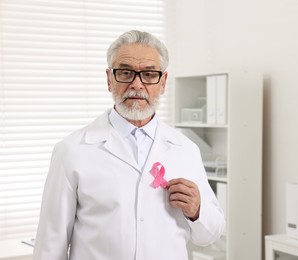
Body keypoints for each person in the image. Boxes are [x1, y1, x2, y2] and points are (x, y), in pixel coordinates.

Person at [33, 30, 225, 260]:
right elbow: (50, 246)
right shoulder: (72, 151)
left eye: (149, 74)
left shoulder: (185, 149)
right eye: (125, 73)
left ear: (163, 82)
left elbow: (210, 235)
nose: (137, 84)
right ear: (109, 79)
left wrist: (197, 211)